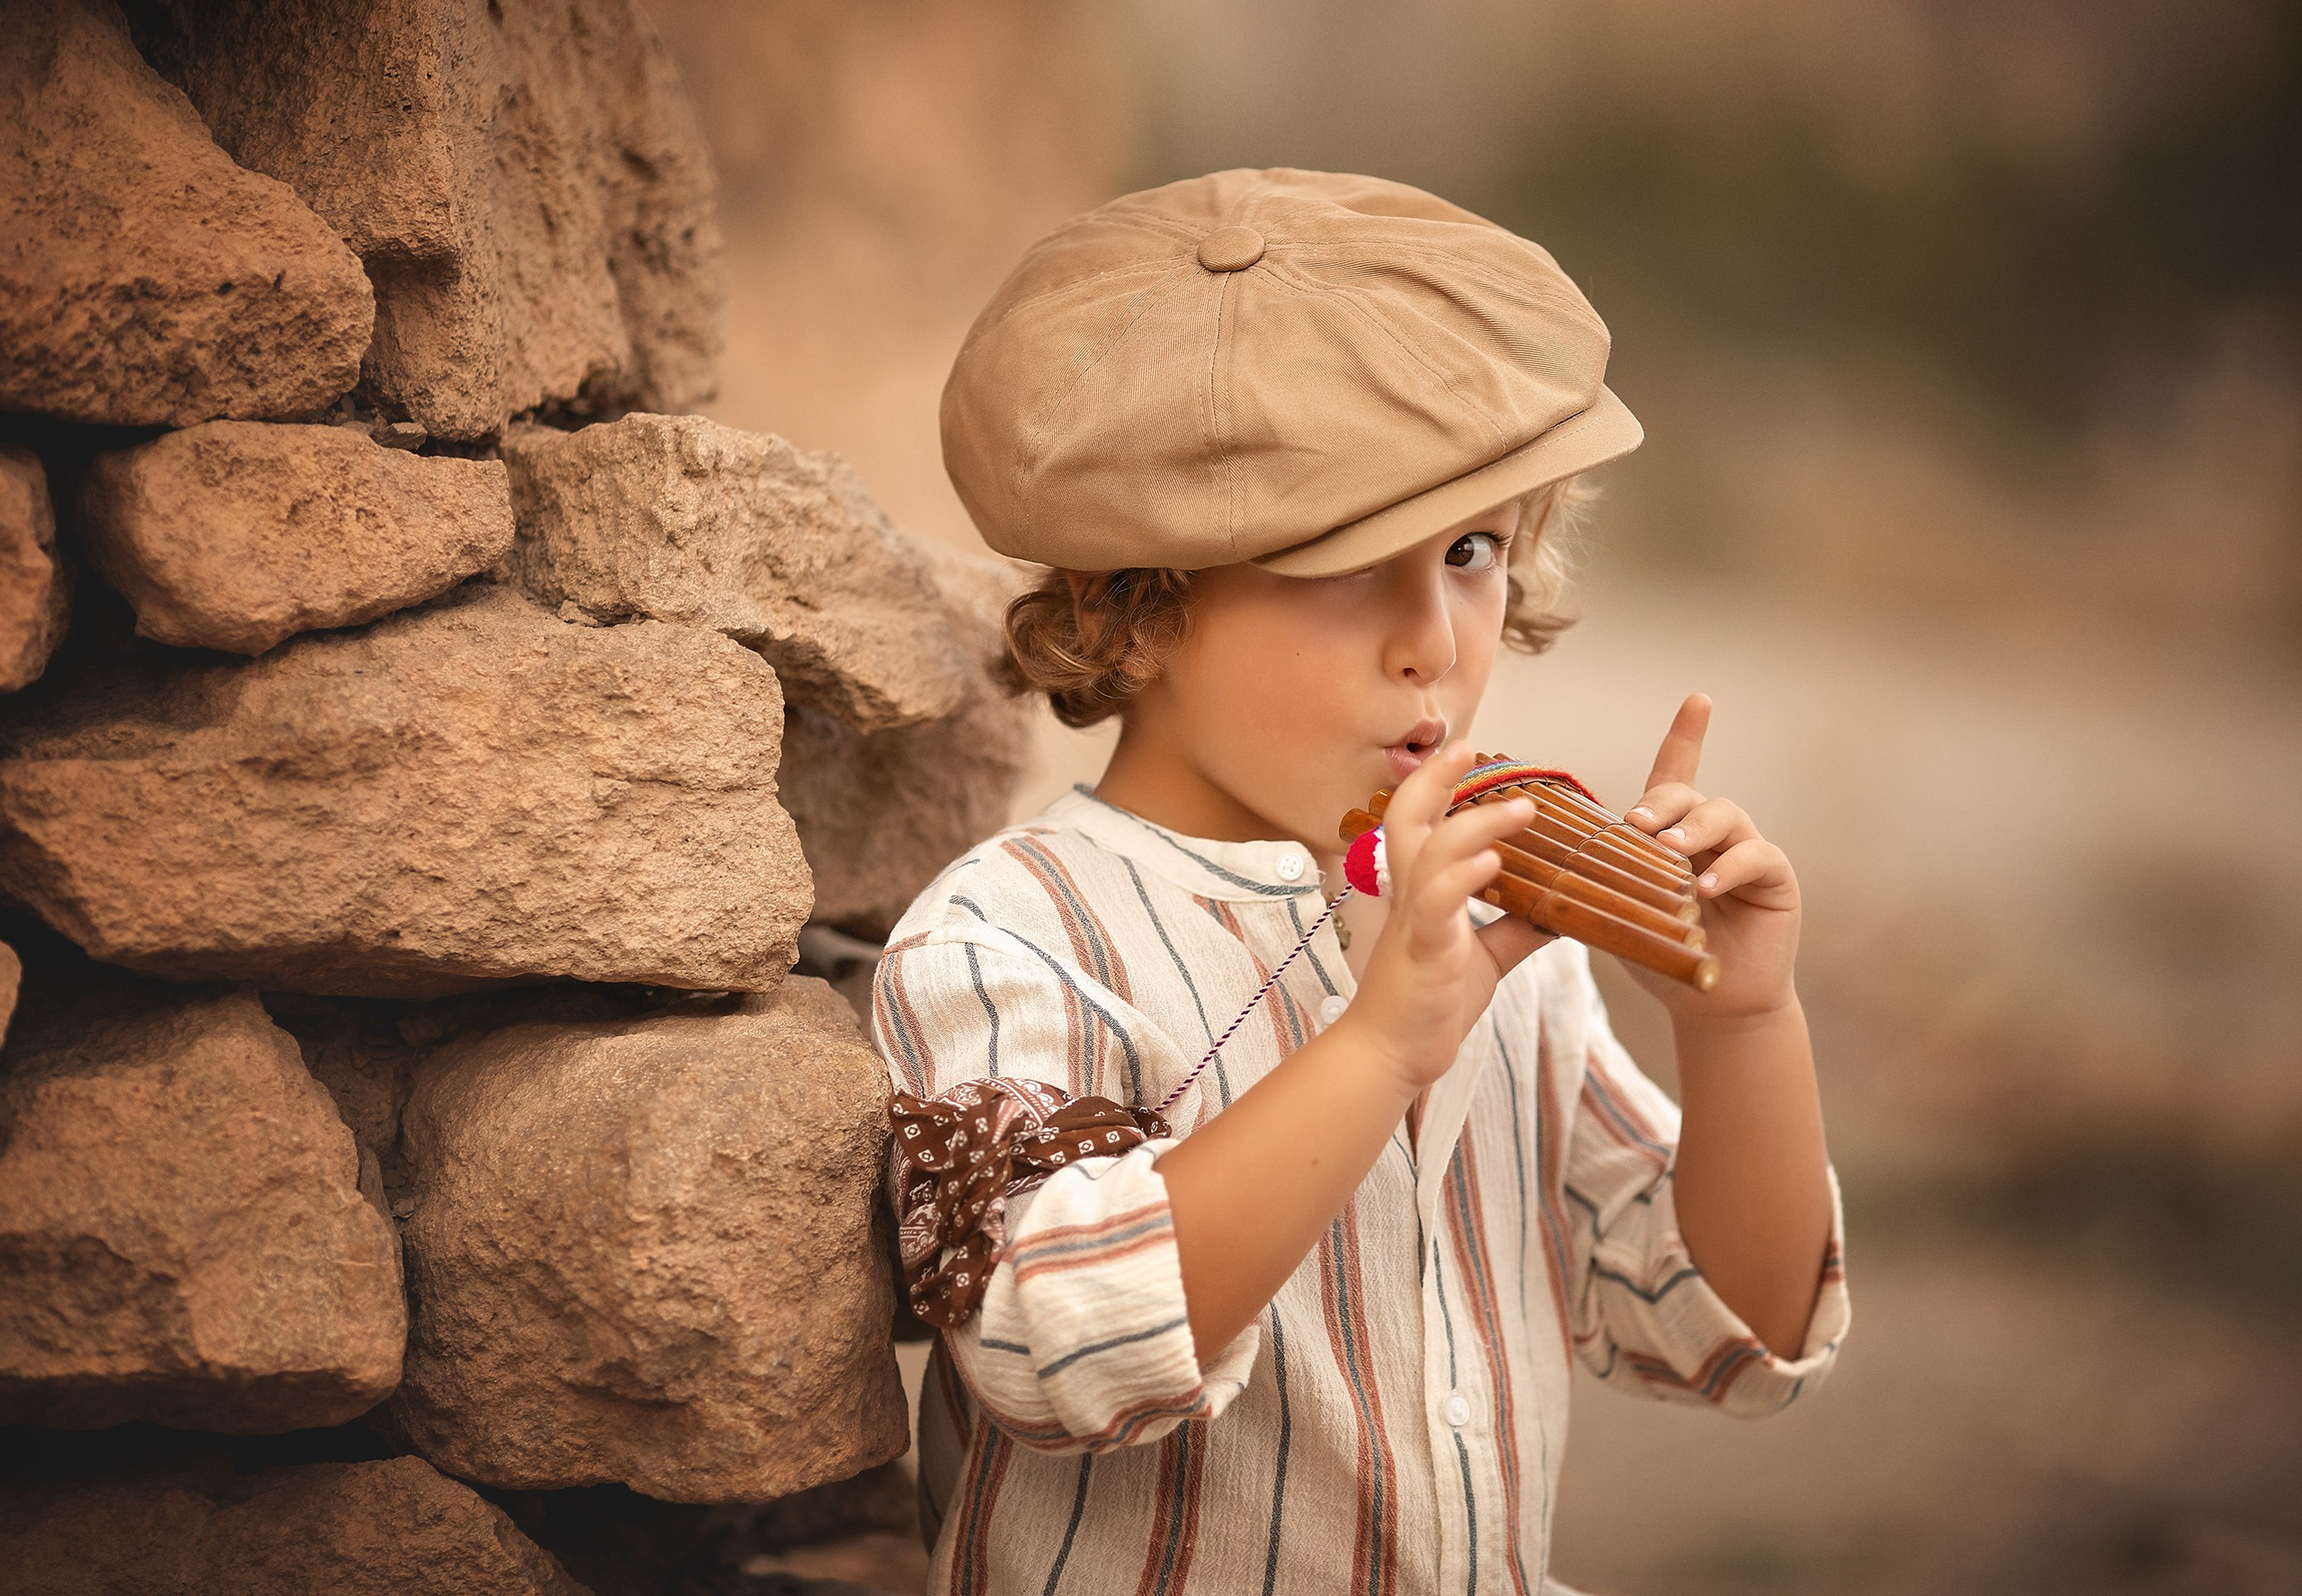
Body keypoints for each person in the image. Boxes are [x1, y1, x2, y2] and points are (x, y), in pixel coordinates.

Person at [873, 167, 1849, 1595]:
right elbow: (1050, 1340)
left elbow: (1730, 1335)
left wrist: (1742, 1022)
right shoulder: (1012, 939)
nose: (1432, 641)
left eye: (1469, 553)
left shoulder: (1508, 930)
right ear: (1129, 607)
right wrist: (1384, 1043)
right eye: (1340, 567)